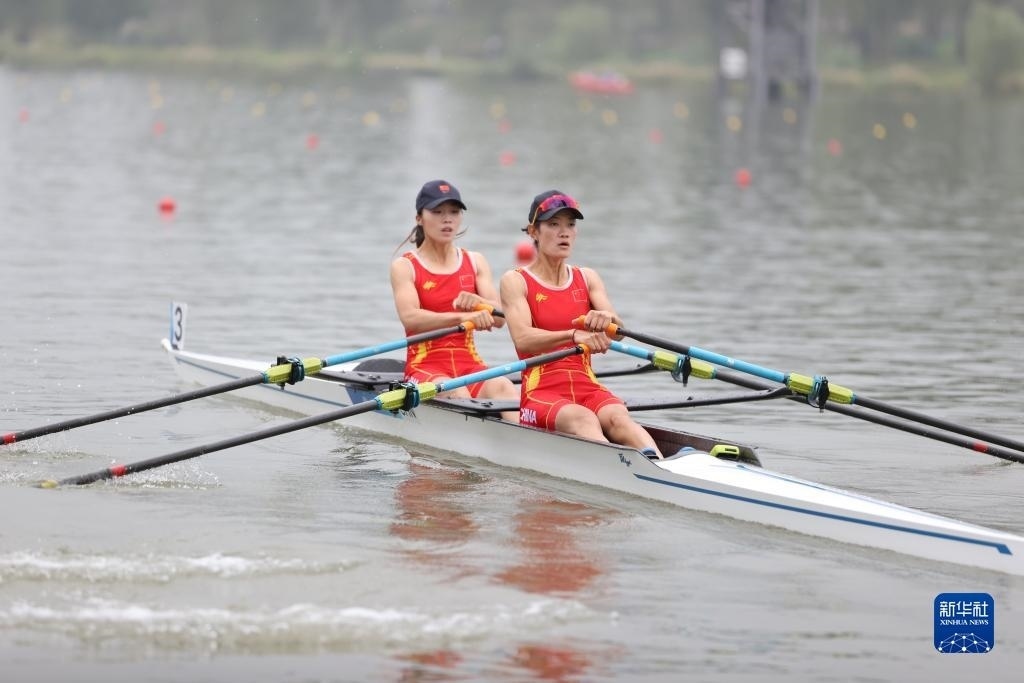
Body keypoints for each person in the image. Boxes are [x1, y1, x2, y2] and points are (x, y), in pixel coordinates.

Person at [499, 189, 663, 457]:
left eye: (570, 224)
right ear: (533, 232)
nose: (564, 232)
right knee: (584, 419)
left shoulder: (587, 277)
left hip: (586, 384)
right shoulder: (515, 281)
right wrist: (574, 335)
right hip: (541, 391)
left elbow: (617, 333)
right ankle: (618, 470)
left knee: (618, 417)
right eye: (554, 224)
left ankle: (661, 468)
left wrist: (607, 320)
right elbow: (523, 340)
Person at [390, 179, 519, 420]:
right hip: (424, 367)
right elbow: (410, 317)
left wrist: (481, 303)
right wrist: (462, 317)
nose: (447, 219)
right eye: (437, 212)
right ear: (419, 218)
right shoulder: (405, 266)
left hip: (469, 364)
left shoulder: (475, 261)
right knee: (456, 391)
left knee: (503, 386)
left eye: (453, 212)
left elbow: (500, 319)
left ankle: (524, 441)